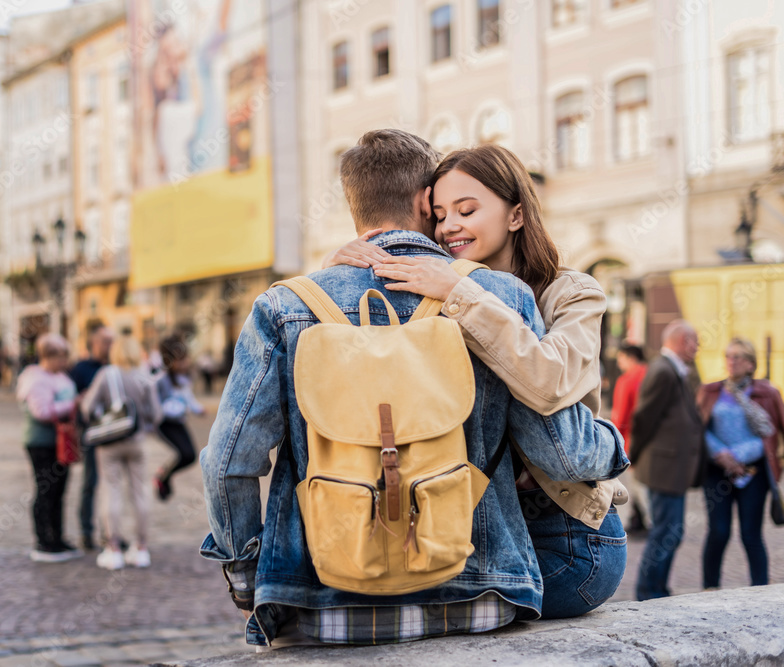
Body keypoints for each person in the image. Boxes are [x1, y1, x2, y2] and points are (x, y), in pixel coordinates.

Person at [200, 129, 628, 648]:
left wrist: (247, 577)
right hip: (480, 594)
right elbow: (557, 450)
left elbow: (228, 461)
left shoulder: (286, 304)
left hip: (315, 601)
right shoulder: (507, 296)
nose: (451, 224)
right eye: (446, 211)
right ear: (427, 202)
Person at [323, 143, 628, 619]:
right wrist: (341, 273)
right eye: (439, 214)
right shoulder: (429, 286)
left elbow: (549, 380)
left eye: (467, 210)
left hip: (565, 539)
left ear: (515, 215)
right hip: (465, 526)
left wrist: (461, 295)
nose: (449, 227)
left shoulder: (572, 293)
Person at [697, 337, 784, 590]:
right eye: (729, 356)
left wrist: (739, 456)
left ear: (751, 364)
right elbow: (698, 428)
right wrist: (721, 454)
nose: (732, 361)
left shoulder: (767, 393)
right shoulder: (710, 391)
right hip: (716, 471)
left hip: (753, 474)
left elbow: (773, 434)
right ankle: (709, 589)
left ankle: (760, 589)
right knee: (718, 532)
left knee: (751, 534)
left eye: (738, 357)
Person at [630, 319, 705, 601]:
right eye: (694, 342)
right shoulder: (663, 370)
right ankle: (649, 591)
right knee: (666, 532)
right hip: (663, 468)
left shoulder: (673, 369)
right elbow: (644, 418)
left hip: (671, 469)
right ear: (682, 341)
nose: (696, 348)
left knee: (670, 532)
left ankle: (657, 589)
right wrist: (634, 456)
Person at [80, 334, 161, 570]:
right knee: (140, 492)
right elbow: (156, 414)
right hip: (137, 442)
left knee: (111, 491)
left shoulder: (106, 374)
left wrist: (104, 417)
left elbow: (87, 408)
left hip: (109, 443)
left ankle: (113, 549)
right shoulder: (145, 376)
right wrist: (141, 423)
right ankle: (141, 548)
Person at [16, 334, 81, 563]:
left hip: (61, 443)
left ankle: (57, 537)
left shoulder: (60, 376)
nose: (65, 362)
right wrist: (72, 404)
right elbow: (41, 412)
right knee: (46, 490)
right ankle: (44, 540)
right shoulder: (35, 379)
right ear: (50, 356)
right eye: (62, 357)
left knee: (59, 491)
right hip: (42, 442)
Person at [69, 323, 115, 551]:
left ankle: (111, 533)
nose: (110, 346)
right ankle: (86, 532)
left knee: (112, 487)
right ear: (94, 343)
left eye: (112, 342)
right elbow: (72, 400)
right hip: (91, 434)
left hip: (116, 434)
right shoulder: (80, 368)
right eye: (106, 342)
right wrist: (82, 399)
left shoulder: (117, 366)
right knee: (90, 483)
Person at [154, 333, 205, 501]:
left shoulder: (183, 378)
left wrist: (198, 409)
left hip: (179, 421)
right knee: (184, 453)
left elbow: (188, 398)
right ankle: (163, 480)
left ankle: (163, 475)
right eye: (180, 360)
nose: (185, 363)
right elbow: (156, 404)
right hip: (166, 423)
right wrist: (170, 410)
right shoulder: (161, 380)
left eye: (185, 359)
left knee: (190, 456)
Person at [611, 342, 651, 533]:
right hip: (654, 443)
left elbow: (621, 416)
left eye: (621, 359)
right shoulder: (653, 375)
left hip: (632, 442)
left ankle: (643, 520)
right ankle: (640, 519)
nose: (619, 364)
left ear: (631, 358)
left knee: (635, 486)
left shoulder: (627, 380)